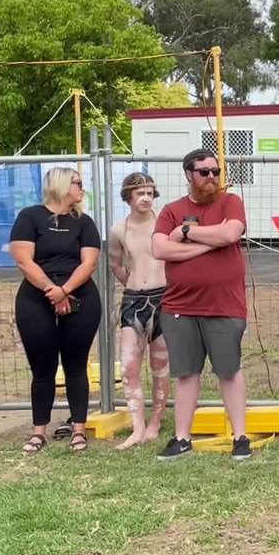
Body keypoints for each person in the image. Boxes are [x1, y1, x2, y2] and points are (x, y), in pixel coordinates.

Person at [152, 148, 252, 462]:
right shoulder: (171, 208)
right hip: (179, 306)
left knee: (229, 370)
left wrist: (185, 233)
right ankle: (182, 438)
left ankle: (240, 436)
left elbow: (230, 232)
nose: (211, 177)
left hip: (224, 305)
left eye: (215, 172)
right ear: (189, 175)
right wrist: (208, 245)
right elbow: (159, 249)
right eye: (204, 172)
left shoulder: (230, 202)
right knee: (186, 373)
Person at [10, 166, 103, 455]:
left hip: (80, 296)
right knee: (42, 369)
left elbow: (89, 263)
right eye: (77, 183)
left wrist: (65, 290)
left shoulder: (84, 222)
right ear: (63, 185)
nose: (81, 188)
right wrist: (53, 291)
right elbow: (25, 261)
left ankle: (78, 429)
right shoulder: (29, 217)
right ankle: (39, 431)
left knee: (76, 366)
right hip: (36, 299)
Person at [108, 172, 172, 449]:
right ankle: (137, 426)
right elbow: (115, 264)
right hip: (134, 300)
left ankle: (156, 420)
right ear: (129, 197)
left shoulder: (164, 224)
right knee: (129, 367)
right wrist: (133, 284)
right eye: (139, 193)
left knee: (160, 366)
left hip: (163, 298)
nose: (145, 198)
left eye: (149, 192)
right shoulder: (119, 229)